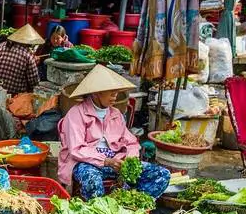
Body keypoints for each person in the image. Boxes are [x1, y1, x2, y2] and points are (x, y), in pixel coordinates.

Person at [58, 65, 170, 199]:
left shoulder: (115, 114)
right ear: (96, 92)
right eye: (110, 91)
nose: (115, 95)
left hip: (116, 163)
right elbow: (77, 149)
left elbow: (131, 142)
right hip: (85, 164)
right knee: (92, 180)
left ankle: (130, 204)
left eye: (116, 91)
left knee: (162, 174)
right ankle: (99, 213)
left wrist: (130, 158)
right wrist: (106, 161)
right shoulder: (76, 114)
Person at [0, 24, 44, 96]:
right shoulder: (28, 56)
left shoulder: (2, 46)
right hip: (14, 93)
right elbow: (34, 82)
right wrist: (34, 63)